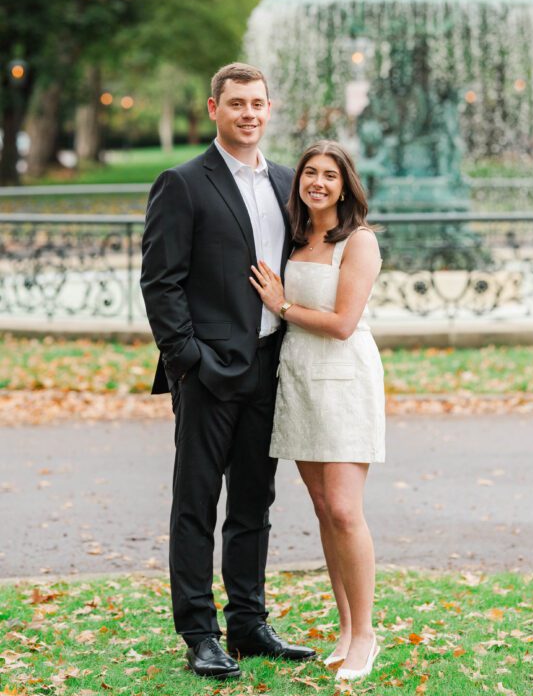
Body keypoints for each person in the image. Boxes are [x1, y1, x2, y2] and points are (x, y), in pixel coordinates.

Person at [140, 63, 315, 680]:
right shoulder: (183, 183)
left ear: (270, 110)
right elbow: (161, 282)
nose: (248, 113)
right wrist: (189, 361)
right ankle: (199, 632)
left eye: (258, 103)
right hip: (208, 372)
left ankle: (248, 620)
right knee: (195, 503)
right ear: (213, 108)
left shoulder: (290, 183)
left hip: (272, 366)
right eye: (236, 103)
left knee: (254, 501)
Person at [249, 140, 385, 684]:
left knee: (347, 511)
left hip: (345, 379)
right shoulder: (295, 236)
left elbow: (343, 322)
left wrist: (281, 305)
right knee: (325, 509)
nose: (319, 183)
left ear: (345, 184)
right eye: (310, 173)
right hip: (298, 379)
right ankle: (347, 628)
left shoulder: (359, 242)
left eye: (330, 175)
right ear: (299, 181)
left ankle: (368, 634)